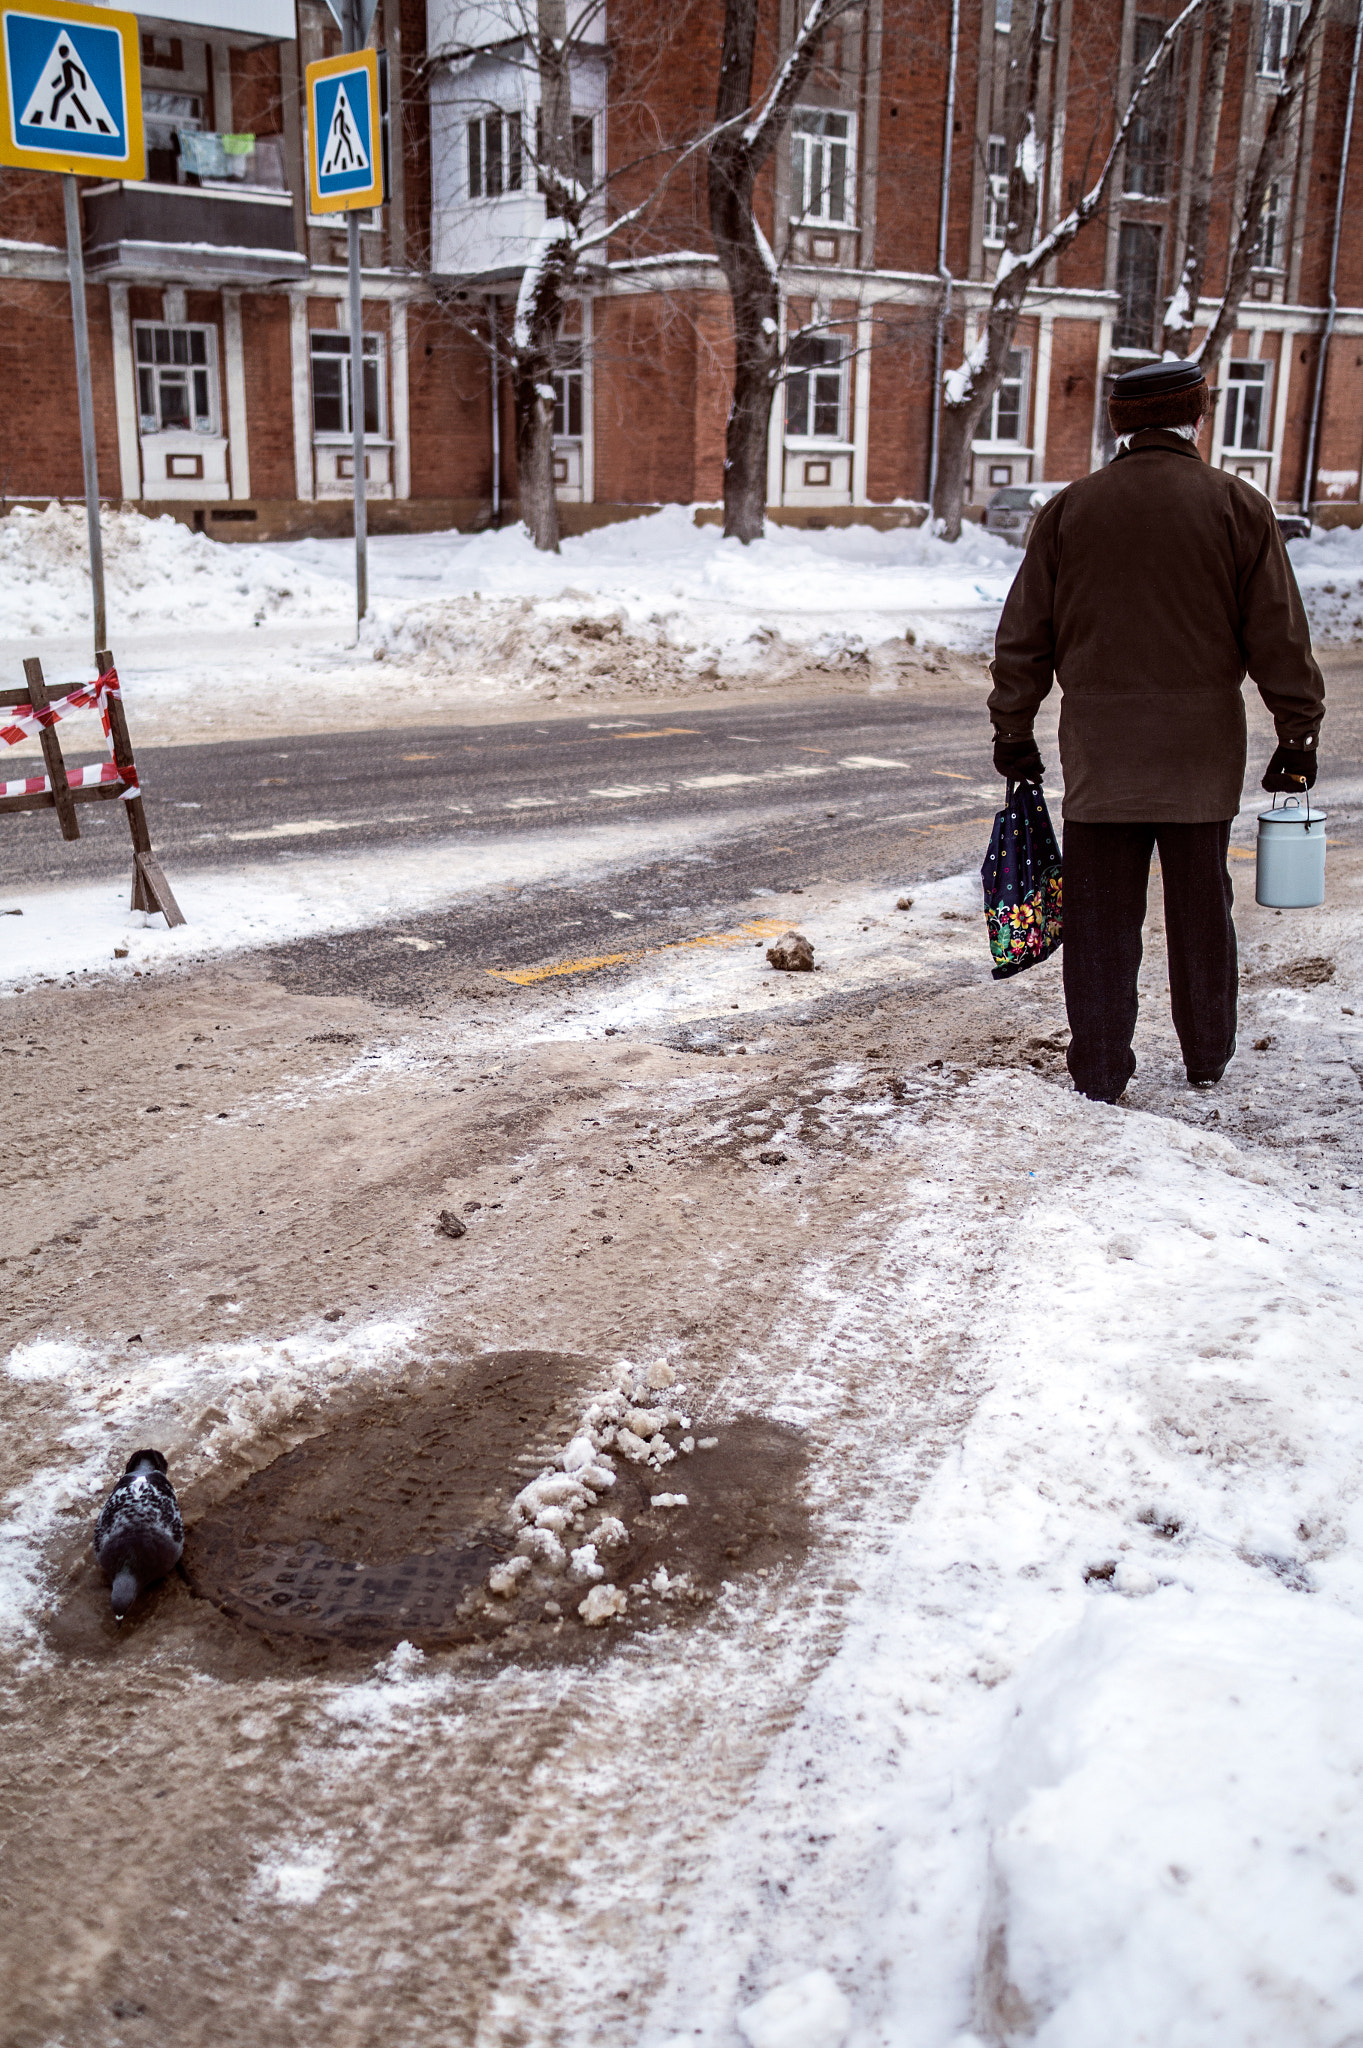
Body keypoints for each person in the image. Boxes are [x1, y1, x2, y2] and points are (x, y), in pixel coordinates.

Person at [987, 356, 1325, 1103]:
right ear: (1194, 416)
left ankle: (1101, 1071)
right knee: (1202, 913)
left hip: (1099, 757)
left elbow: (1023, 637)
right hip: (1198, 754)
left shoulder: (1071, 510)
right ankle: (1206, 1056)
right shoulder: (1235, 505)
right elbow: (1276, 633)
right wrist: (1295, 732)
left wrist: (1012, 727)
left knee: (1102, 919)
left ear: (1120, 423)